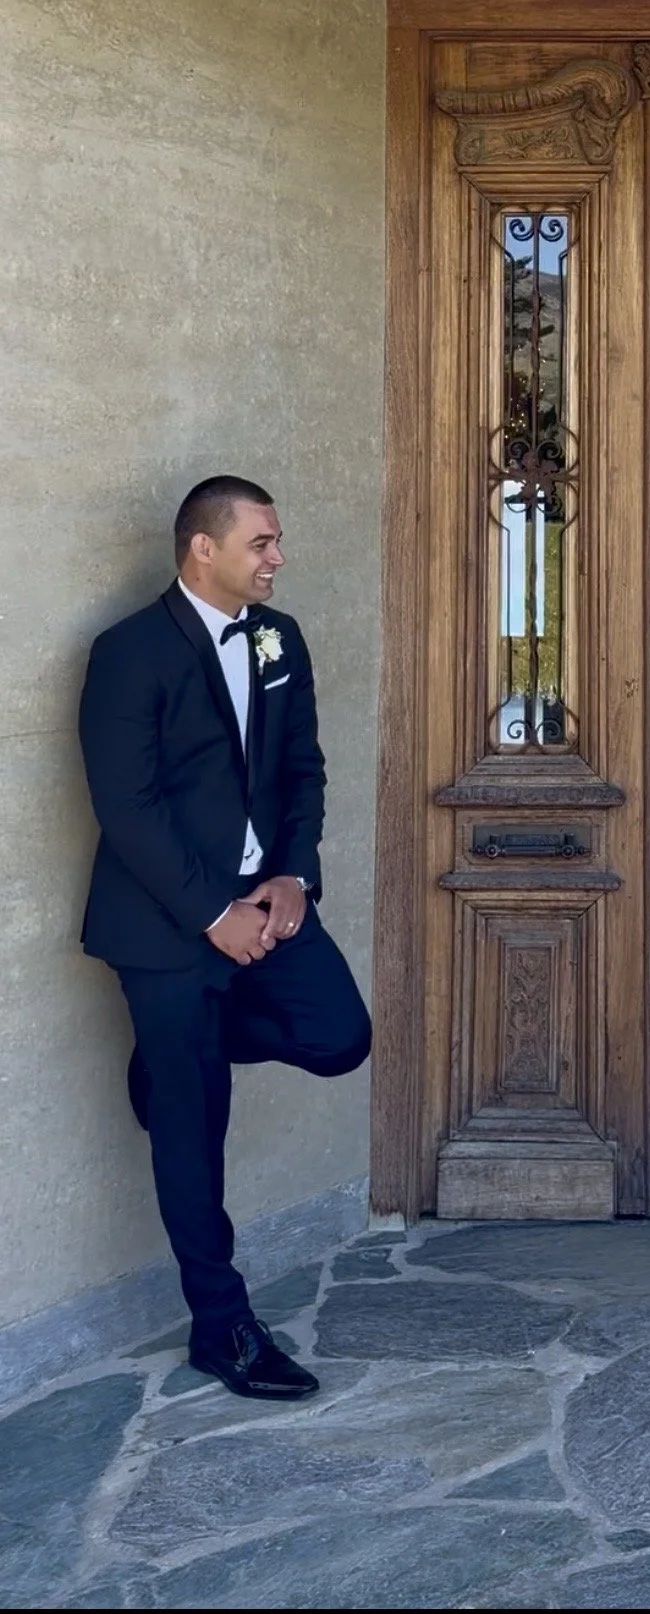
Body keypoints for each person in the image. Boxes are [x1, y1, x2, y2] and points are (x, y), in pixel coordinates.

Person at [78, 476, 371, 1401]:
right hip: (167, 925)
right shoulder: (128, 652)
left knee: (340, 1035)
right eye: (262, 542)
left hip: (267, 901)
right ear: (203, 548)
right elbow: (127, 807)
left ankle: (166, 1065)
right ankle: (223, 1327)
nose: (278, 557)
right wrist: (215, 915)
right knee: (193, 1130)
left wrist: (292, 876)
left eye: (277, 541)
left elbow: (302, 769)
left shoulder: (284, 640)